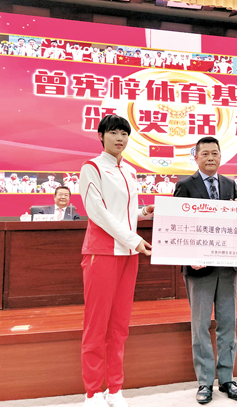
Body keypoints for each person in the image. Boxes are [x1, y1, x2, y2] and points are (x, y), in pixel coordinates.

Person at [79, 114, 154, 407]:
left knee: (120, 326)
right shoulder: (92, 167)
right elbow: (98, 212)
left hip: (128, 255)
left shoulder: (130, 171)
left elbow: (122, 213)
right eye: (113, 132)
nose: (120, 138)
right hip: (102, 253)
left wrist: (142, 214)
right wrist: (134, 239)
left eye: (124, 133)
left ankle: (114, 388)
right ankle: (92, 392)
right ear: (101, 136)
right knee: (96, 326)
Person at [173, 136, 237, 405]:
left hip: (227, 266)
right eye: (205, 154)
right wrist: (188, 255)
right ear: (196, 157)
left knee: (228, 324)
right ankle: (204, 382)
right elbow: (176, 224)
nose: (211, 157)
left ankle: (227, 379)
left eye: (215, 153)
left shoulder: (230, 184)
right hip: (198, 267)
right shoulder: (184, 185)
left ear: (220, 156)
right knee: (201, 326)